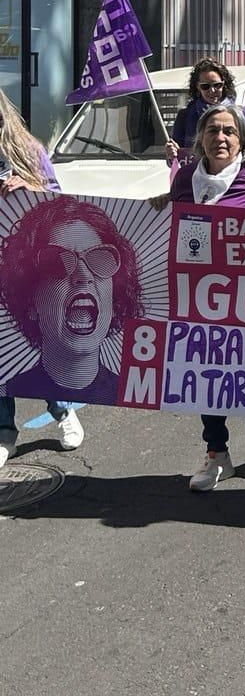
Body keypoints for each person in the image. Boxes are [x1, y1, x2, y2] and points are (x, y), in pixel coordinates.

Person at [163, 104, 245, 491]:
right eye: (213, 130)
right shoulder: (185, 178)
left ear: (241, 139)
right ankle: (217, 454)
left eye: (229, 132)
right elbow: (174, 224)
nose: (220, 138)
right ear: (200, 138)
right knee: (207, 372)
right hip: (201, 293)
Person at [0, 92, 84, 467]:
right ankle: (4, 431)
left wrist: (30, 187)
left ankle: (63, 410)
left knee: (39, 341)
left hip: (26, 265)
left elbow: (58, 198)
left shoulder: (29, 150)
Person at [0, 196, 144, 407]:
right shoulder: (7, 391)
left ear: (114, 298)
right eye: (57, 262)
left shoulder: (136, 395)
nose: (83, 275)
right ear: (30, 301)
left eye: (101, 259)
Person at [166, 58, 245, 159]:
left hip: (232, 173)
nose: (212, 90)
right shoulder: (185, 116)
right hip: (196, 173)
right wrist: (171, 155)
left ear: (224, 84)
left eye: (217, 85)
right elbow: (177, 159)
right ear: (198, 87)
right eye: (205, 86)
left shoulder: (241, 114)